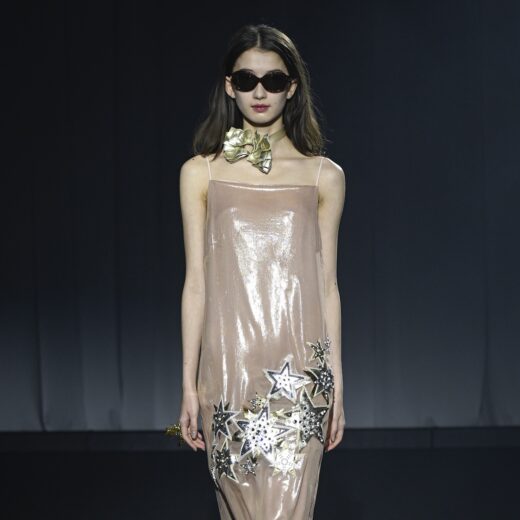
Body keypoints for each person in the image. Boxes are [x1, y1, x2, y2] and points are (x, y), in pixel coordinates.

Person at [177, 23, 346, 519]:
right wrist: (188, 384)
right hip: (228, 373)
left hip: (301, 376)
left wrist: (338, 384)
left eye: (273, 81)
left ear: (291, 88)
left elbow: (328, 285)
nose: (259, 92)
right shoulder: (201, 172)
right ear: (229, 86)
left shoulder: (324, 176)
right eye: (246, 79)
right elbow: (195, 283)